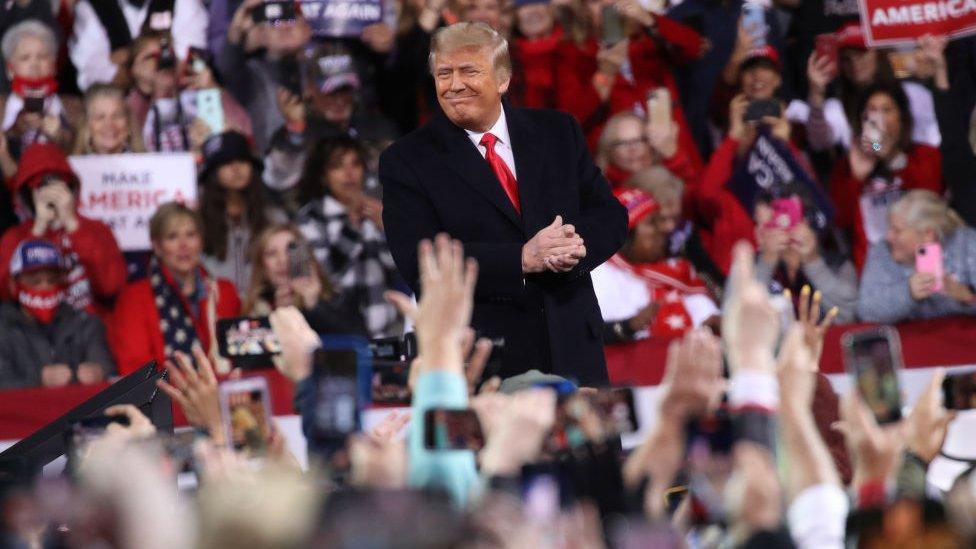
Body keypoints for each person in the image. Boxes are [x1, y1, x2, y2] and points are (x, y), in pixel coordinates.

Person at [380, 22, 628, 385]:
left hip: (574, 349)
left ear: (502, 79)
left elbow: (609, 215)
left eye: (469, 71)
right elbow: (423, 262)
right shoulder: (407, 161)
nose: (455, 85)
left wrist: (574, 246)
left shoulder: (558, 132)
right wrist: (522, 259)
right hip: (485, 365)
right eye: (444, 73)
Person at [110, 202, 241, 375]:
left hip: (225, 396)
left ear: (201, 241)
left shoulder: (224, 292)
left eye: (191, 235)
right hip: (165, 399)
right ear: (157, 246)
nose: (183, 245)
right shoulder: (134, 298)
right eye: (172, 237)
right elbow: (135, 371)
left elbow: (241, 358)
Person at [0, 143, 127, 317]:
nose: (51, 193)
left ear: (70, 188)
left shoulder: (96, 229)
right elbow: (5, 293)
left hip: (89, 330)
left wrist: (73, 225)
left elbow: (111, 285)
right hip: (33, 335)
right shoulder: (15, 238)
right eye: (41, 186)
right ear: (28, 194)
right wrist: (37, 232)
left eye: (58, 185)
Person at [828, 81, 942, 270]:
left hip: (924, 262)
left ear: (901, 117)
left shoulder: (925, 155)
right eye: (871, 110)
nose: (878, 118)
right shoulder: (847, 165)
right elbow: (840, 219)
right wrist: (855, 179)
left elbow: (930, 198)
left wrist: (888, 154)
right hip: (876, 268)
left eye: (886, 110)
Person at [296, 136, 400, 338]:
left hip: (387, 333)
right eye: (338, 166)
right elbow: (327, 276)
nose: (349, 173)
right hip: (337, 338)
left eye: (355, 164)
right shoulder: (310, 219)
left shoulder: (378, 211)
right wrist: (352, 227)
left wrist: (388, 227)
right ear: (324, 176)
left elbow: (397, 268)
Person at [592, 187, 719, 344]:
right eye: (652, 223)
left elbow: (703, 311)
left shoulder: (675, 267)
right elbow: (590, 334)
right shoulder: (598, 274)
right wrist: (629, 326)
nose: (663, 230)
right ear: (624, 236)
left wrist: (711, 320)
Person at [0, 239, 115, 389]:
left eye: (52, 279)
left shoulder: (85, 323)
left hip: (79, 411)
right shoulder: (3, 327)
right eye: (34, 280)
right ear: (13, 283)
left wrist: (100, 372)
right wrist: (38, 380)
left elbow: (110, 372)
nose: (44, 286)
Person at [858, 190, 976, 323]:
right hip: (907, 341)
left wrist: (967, 297)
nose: (888, 236)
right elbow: (866, 311)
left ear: (928, 234)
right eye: (890, 228)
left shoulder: (967, 243)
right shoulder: (883, 252)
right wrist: (908, 293)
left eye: (897, 230)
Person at [754, 190, 859, 323]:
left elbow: (847, 316)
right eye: (757, 223)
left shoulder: (837, 264)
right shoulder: (750, 267)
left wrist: (813, 261)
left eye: (770, 223)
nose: (759, 231)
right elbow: (739, 323)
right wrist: (766, 262)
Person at [242, 223, 366, 335]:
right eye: (272, 254)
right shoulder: (254, 309)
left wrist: (313, 305)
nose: (282, 260)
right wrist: (280, 316)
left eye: (290, 250)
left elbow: (357, 345)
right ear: (262, 267)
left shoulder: (338, 301)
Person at [0, 20, 82, 177]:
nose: (34, 64)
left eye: (42, 57)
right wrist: (15, 132)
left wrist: (61, 140)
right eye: (25, 58)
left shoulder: (75, 108)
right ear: (10, 69)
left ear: (54, 65)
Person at [69, 0, 208, 91]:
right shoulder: (90, 8)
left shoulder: (183, 2)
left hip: (178, 104)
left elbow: (192, 62)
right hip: (120, 114)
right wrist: (155, 60)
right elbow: (93, 78)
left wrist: (128, 59)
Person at [198, 130, 269, 294]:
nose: (237, 168)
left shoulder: (272, 216)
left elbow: (296, 259)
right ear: (212, 173)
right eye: (226, 162)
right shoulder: (197, 223)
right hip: (215, 311)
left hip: (266, 309)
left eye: (243, 160)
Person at [72, 83, 146, 154]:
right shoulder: (70, 166)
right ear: (87, 124)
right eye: (100, 117)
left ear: (128, 122)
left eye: (117, 116)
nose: (109, 124)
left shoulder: (147, 165)